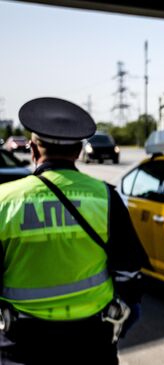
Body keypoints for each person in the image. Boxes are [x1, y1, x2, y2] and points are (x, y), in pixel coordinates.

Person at [0, 97, 149, 364]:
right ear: (79, 151)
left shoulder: (4, 200)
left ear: (34, 150)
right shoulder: (105, 197)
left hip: (22, 343)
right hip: (91, 342)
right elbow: (129, 272)